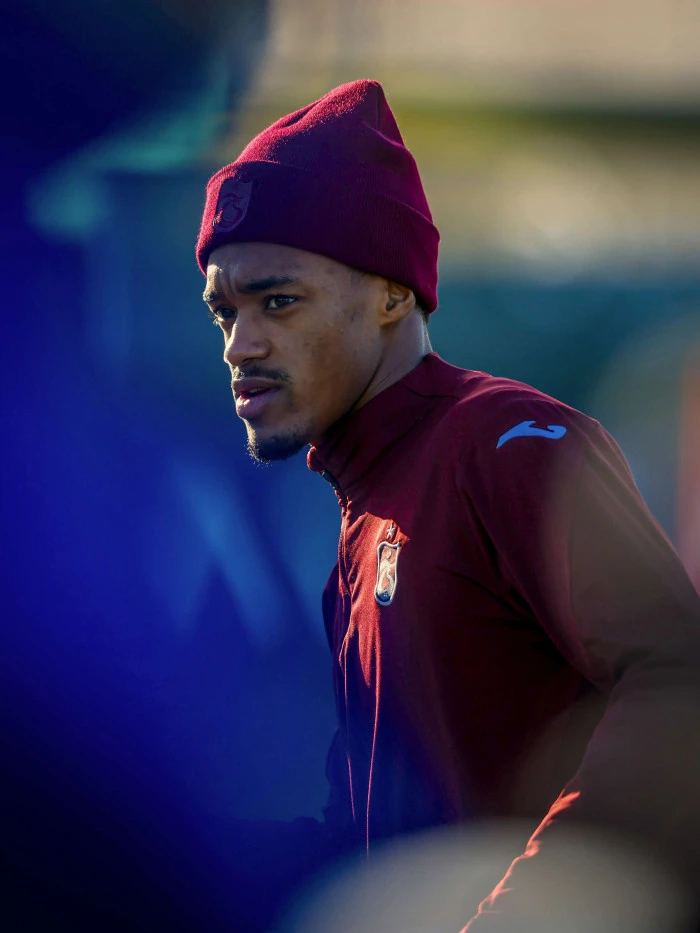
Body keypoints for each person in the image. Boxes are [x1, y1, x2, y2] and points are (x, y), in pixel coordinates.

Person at [195, 80, 700, 930]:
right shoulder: (359, 523)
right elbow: (376, 842)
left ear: (393, 293)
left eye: (278, 300)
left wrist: (518, 914)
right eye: (224, 311)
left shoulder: (507, 442)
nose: (240, 345)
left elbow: (676, 676)